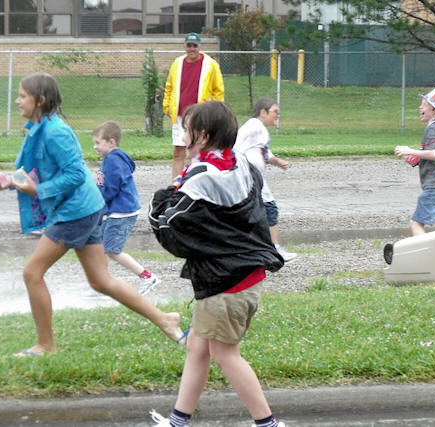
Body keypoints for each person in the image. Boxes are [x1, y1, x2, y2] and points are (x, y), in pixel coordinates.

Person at [0, 73, 185, 357]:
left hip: (74, 213)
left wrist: (37, 189)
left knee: (32, 273)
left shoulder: (56, 132)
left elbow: (76, 175)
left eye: (22, 96)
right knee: (101, 281)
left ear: (39, 100)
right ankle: (165, 319)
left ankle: (45, 345)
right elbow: (35, 171)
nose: (17, 101)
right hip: (85, 210)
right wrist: (8, 180)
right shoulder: (38, 129)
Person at [148, 101, 285, 427]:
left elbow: (169, 226)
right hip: (243, 277)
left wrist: (161, 200)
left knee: (225, 354)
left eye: (187, 129)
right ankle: (178, 420)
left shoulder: (202, 177)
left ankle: (268, 424)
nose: (183, 136)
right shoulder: (240, 164)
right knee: (197, 346)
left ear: (204, 136)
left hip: (225, 284)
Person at [93, 121, 161, 295]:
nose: (95, 147)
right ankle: (101, 283)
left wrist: (96, 201)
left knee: (112, 250)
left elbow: (111, 188)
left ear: (112, 141)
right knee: (100, 246)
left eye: (98, 143)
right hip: (116, 211)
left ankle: (147, 277)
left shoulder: (113, 160)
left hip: (121, 212)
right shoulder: (111, 159)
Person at [234, 98, 297, 263]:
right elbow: (237, 141)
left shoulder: (260, 129)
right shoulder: (254, 125)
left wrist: (277, 162)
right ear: (263, 112)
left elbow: (264, 153)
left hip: (255, 177)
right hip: (250, 176)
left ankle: (257, 248)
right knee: (268, 209)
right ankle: (273, 250)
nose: (278, 115)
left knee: (258, 210)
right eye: (275, 112)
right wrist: (238, 162)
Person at [394, 87, 435, 236]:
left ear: (434, 110)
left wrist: (409, 150)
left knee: (416, 223)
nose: (420, 107)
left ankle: (425, 250)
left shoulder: (432, 130)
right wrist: (417, 159)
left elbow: (434, 154)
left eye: (424, 104)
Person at [163, 32, 225, 180]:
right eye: (189, 45)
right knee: (178, 152)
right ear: (184, 46)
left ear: (200, 47)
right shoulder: (177, 63)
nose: (191, 49)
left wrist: (213, 112)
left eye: (195, 46)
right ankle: (175, 186)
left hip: (200, 117)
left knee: (198, 152)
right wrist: (167, 106)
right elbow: (169, 86)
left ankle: (197, 182)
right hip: (180, 116)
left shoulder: (210, 65)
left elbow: (218, 90)